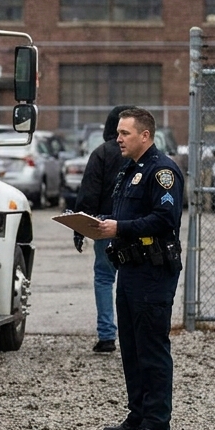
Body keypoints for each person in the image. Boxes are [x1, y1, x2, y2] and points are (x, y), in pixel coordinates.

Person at [94, 107, 184, 430]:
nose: (118, 138)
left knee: (151, 346)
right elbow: (123, 214)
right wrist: (95, 222)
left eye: (125, 133)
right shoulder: (129, 170)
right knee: (130, 347)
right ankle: (138, 415)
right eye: (118, 132)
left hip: (152, 270)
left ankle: (158, 423)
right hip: (129, 268)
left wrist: (120, 228)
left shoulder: (162, 172)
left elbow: (164, 218)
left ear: (145, 136)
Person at [73, 106, 134, 354]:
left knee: (104, 278)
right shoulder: (140, 154)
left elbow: (88, 193)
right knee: (133, 281)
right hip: (135, 225)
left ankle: (107, 336)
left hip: (104, 225)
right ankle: (134, 336)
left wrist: (79, 229)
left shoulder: (101, 153)